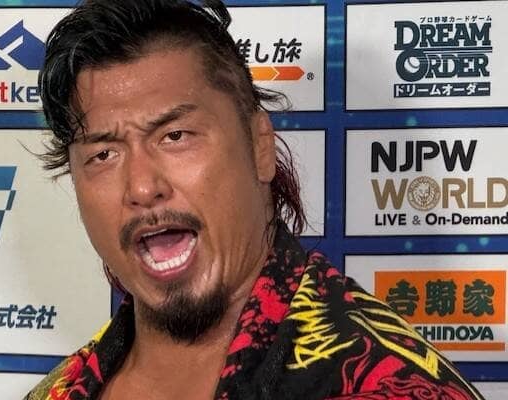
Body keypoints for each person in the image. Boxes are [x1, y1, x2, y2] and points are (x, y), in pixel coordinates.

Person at [24, 0, 485, 399]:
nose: (142, 187)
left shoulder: (384, 384)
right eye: (103, 154)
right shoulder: (59, 389)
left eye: (175, 136)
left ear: (260, 146)